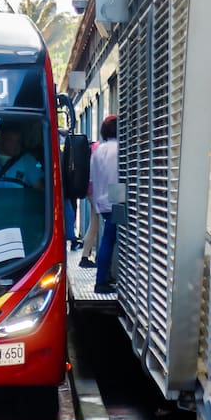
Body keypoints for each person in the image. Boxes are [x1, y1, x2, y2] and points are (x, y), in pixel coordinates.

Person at [90, 114, 119, 294]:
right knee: (111, 239)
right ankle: (101, 281)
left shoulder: (98, 151)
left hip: (102, 199)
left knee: (108, 238)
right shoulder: (121, 149)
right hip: (118, 197)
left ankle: (106, 275)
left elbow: (93, 177)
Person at [0, 122, 44, 189]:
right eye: (10, 140)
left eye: (18, 141)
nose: (15, 145)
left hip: (19, 199)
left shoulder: (28, 160)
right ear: (1, 140)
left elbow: (38, 187)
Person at [78, 138, 101, 268]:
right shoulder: (99, 147)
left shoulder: (93, 147)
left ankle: (86, 254)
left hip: (88, 188)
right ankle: (86, 256)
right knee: (96, 223)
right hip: (95, 189)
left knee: (94, 222)